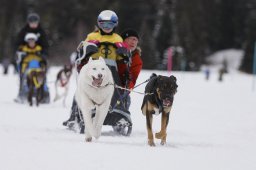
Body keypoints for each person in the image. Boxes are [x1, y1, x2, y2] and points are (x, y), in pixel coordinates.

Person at [63, 10, 131, 135]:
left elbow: (122, 59)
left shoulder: (117, 38)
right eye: (104, 24)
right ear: (99, 24)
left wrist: (124, 56)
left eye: (109, 25)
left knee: (117, 89)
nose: (106, 28)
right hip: (93, 69)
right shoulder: (92, 36)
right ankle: (74, 117)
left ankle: (119, 113)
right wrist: (88, 49)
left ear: (114, 25)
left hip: (111, 70)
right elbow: (82, 54)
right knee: (82, 91)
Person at [15, 33, 49, 103]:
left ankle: (45, 96)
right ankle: (23, 95)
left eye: (32, 41)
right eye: (29, 41)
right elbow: (20, 60)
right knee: (24, 81)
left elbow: (44, 59)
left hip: (38, 68)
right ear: (27, 42)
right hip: (27, 68)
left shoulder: (39, 49)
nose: (31, 43)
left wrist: (42, 58)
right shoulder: (23, 49)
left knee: (43, 81)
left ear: (35, 41)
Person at [118, 29, 143, 109]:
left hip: (120, 90)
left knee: (126, 100)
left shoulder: (136, 59)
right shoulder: (115, 52)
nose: (133, 42)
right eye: (129, 39)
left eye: (135, 40)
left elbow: (133, 79)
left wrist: (128, 83)